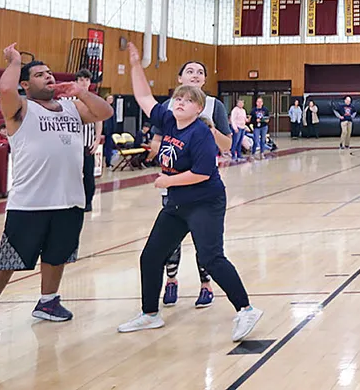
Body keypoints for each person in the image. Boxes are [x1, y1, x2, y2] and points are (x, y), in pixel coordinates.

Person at [117, 43, 263, 342]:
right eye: (178, 98)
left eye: (188, 100)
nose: (181, 102)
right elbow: (144, 96)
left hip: (205, 202)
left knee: (211, 257)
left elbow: (202, 173)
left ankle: (246, 309)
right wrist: (135, 65)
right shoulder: (169, 119)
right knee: (151, 256)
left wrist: (166, 181)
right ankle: (150, 314)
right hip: (178, 204)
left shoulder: (200, 134)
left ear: (199, 109)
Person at [0, 44, 114, 342]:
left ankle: (48, 301)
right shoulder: (20, 108)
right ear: (26, 84)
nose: (48, 77)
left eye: (49, 73)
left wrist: (80, 91)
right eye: (39, 74)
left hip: (70, 198)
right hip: (30, 201)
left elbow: (105, 111)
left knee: (57, 253)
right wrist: (15, 62)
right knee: (8, 258)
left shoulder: (72, 107)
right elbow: (5, 89)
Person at [150, 60, 231, 311]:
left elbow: (227, 145)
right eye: (190, 71)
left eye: (200, 72)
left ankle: (206, 284)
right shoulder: (167, 108)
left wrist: (210, 130)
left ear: (204, 80)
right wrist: (165, 149)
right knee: (170, 239)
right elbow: (155, 143)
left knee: (203, 239)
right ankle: (171, 280)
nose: (195, 75)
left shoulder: (214, 105)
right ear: (179, 78)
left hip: (202, 183)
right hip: (174, 183)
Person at [74, 70, 100, 212]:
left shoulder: (94, 99)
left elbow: (99, 120)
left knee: (88, 174)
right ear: (76, 81)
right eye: (81, 79)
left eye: (86, 80)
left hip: (87, 144)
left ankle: (88, 201)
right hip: (72, 144)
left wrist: (97, 140)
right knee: (72, 174)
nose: (84, 82)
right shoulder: (69, 99)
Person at [101, 95, 118, 167]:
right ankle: (100, 163)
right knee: (101, 147)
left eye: (112, 99)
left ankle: (108, 162)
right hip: (104, 131)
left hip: (110, 131)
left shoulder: (113, 109)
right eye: (109, 98)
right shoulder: (102, 108)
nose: (111, 100)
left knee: (109, 147)